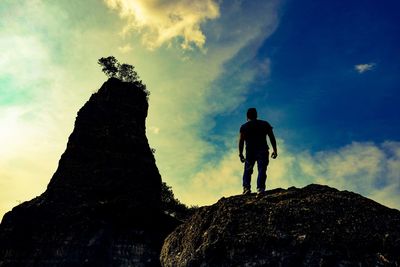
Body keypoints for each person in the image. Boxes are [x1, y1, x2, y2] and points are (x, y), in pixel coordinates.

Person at [238, 108, 277, 195]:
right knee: (262, 169)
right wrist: (275, 150)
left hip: (250, 152)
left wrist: (240, 154)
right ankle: (260, 189)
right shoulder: (264, 124)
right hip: (262, 150)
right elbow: (272, 137)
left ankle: (246, 188)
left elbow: (241, 141)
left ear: (247, 117)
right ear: (256, 115)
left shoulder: (244, 127)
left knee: (248, 170)